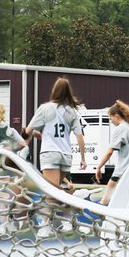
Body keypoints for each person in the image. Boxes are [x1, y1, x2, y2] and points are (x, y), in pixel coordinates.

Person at [23, 78, 86, 235]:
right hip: (66, 155)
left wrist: (39, 134)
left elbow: (28, 130)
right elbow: (80, 137)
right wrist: (83, 158)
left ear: (54, 91)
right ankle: (65, 219)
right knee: (54, 190)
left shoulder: (45, 108)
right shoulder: (72, 112)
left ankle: (46, 225)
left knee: (50, 192)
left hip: (50, 153)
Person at [95, 101, 129, 205]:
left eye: (110, 118)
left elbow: (109, 152)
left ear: (116, 116)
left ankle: (101, 217)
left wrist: (99, 167)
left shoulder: (120, 129)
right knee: (127, 202)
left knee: (104, 201)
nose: (111, 121)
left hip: (121, 172)